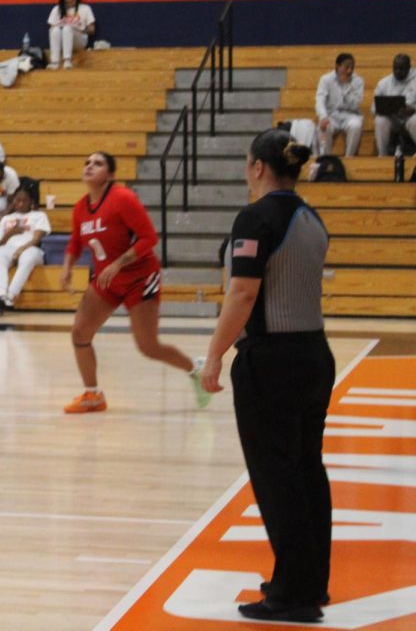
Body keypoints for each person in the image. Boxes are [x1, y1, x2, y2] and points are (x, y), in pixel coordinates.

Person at [199, 130, 332, 624]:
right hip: (314, 354)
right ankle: (308, 581)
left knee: (276, 477)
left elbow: (243, 295)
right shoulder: (310, 216)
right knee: (306, 471)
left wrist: (214, 356)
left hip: (272, 360)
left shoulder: (256, 217)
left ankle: (293, 595)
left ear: (257, 167)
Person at [60, 151, 210, 413]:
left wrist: (119, 263)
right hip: (107, 280)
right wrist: (67, 268)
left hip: (139, 277)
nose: (89, 167)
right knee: (80, 333)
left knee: (148, 346)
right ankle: (92, 395)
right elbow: (74, 242)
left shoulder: (123, 198)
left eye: (98, 163)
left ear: (111, 174)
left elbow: (149, 238)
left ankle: (195, 369)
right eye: (87, 163)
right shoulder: (81, 207)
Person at [0, 185, 51, 315]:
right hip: (9, 248)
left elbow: (37, 239)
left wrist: (21, 249)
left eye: (24, 200)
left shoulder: (39, 215)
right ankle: (2, 295)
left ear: (31, 202)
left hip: (32, 249)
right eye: (17, 200)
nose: (20, 203)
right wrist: (11, 233)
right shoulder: (6, 218)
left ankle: (10, 296)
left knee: (27, 257)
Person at [314, 52, 364, 157]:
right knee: (324, 126)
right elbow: (320, 99)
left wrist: (347, 87)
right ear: (337, 66)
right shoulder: (326, 79)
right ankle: (325, 157)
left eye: (352, 67)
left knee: (356, 126)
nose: (349, 70)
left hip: (351, 114)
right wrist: (323, 117)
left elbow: (355, 104)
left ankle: (349, 157)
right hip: (331, 115)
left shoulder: (358, 81)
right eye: (346, 67)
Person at [372, 53, 416, 156]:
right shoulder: (384, 83)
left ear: (409, 67)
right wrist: (385, 109)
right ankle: (382, 155)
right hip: (393, 119)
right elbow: (374, 108)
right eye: (395, 68)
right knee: (380, 120)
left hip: (411, 118)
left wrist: (414, 109)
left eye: (401, 69)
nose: (397, 71)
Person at [46, 0, 95, 70]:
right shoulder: (56, 9)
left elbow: (92, 29)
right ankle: (55, 61)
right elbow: (51, 28)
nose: (69, 4)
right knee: (55, 30)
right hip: (61, 40)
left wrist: (82, 29)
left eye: (72, 2)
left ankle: (67, 60)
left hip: (79, 39)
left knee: (67, 28)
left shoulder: (85, 8)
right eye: (67, 3)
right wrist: (58, 26)